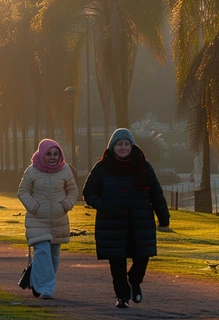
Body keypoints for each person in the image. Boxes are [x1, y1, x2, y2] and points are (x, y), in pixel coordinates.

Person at [82, 128, 170, 309]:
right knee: (117, 262)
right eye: (119, 144)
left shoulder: (144, 166)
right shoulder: (102, 168)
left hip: (140, 222)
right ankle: (122, 296)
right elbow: (88, 193)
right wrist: (105, 205)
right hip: (112, 223)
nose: (123, 147)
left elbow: (156, 194)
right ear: (112, 147)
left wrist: (164, 217)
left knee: (142, 257)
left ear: (132, 145)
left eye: (126, 144)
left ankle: (135, 281)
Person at [17, 139, 78, 299]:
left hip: (59, 221)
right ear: (41, 153)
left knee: (53, 258)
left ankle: (36, 282)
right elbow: (23, 191)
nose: (52, 157)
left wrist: (65, 205)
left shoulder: (65, 170)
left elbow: (73, 191)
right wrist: (34, 206)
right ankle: (46, 289)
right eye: (49, 154)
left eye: (56, 154)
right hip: (37, 220)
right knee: (42, 252)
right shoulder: (31, 171)